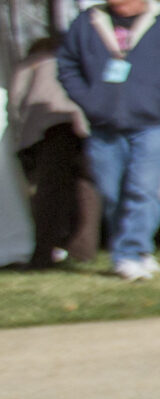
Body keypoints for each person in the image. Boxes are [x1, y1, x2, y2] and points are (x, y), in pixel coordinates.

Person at [55, 0, 160, 281]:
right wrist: (90, 100)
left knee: (143, 189)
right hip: (104, 123)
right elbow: (67, 66)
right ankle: (137, 249)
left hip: (155, 124)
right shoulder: (87, 22)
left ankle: (129, 253)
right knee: (113, 192)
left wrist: (159, 100)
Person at [12, 34, 99, 266]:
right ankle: (83, 249)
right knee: (86, 188)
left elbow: (15, 98)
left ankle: (43, 251)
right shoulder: (85, 60)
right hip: (86, 127)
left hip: (49, 129)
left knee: (50, 193)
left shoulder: (32, 64)